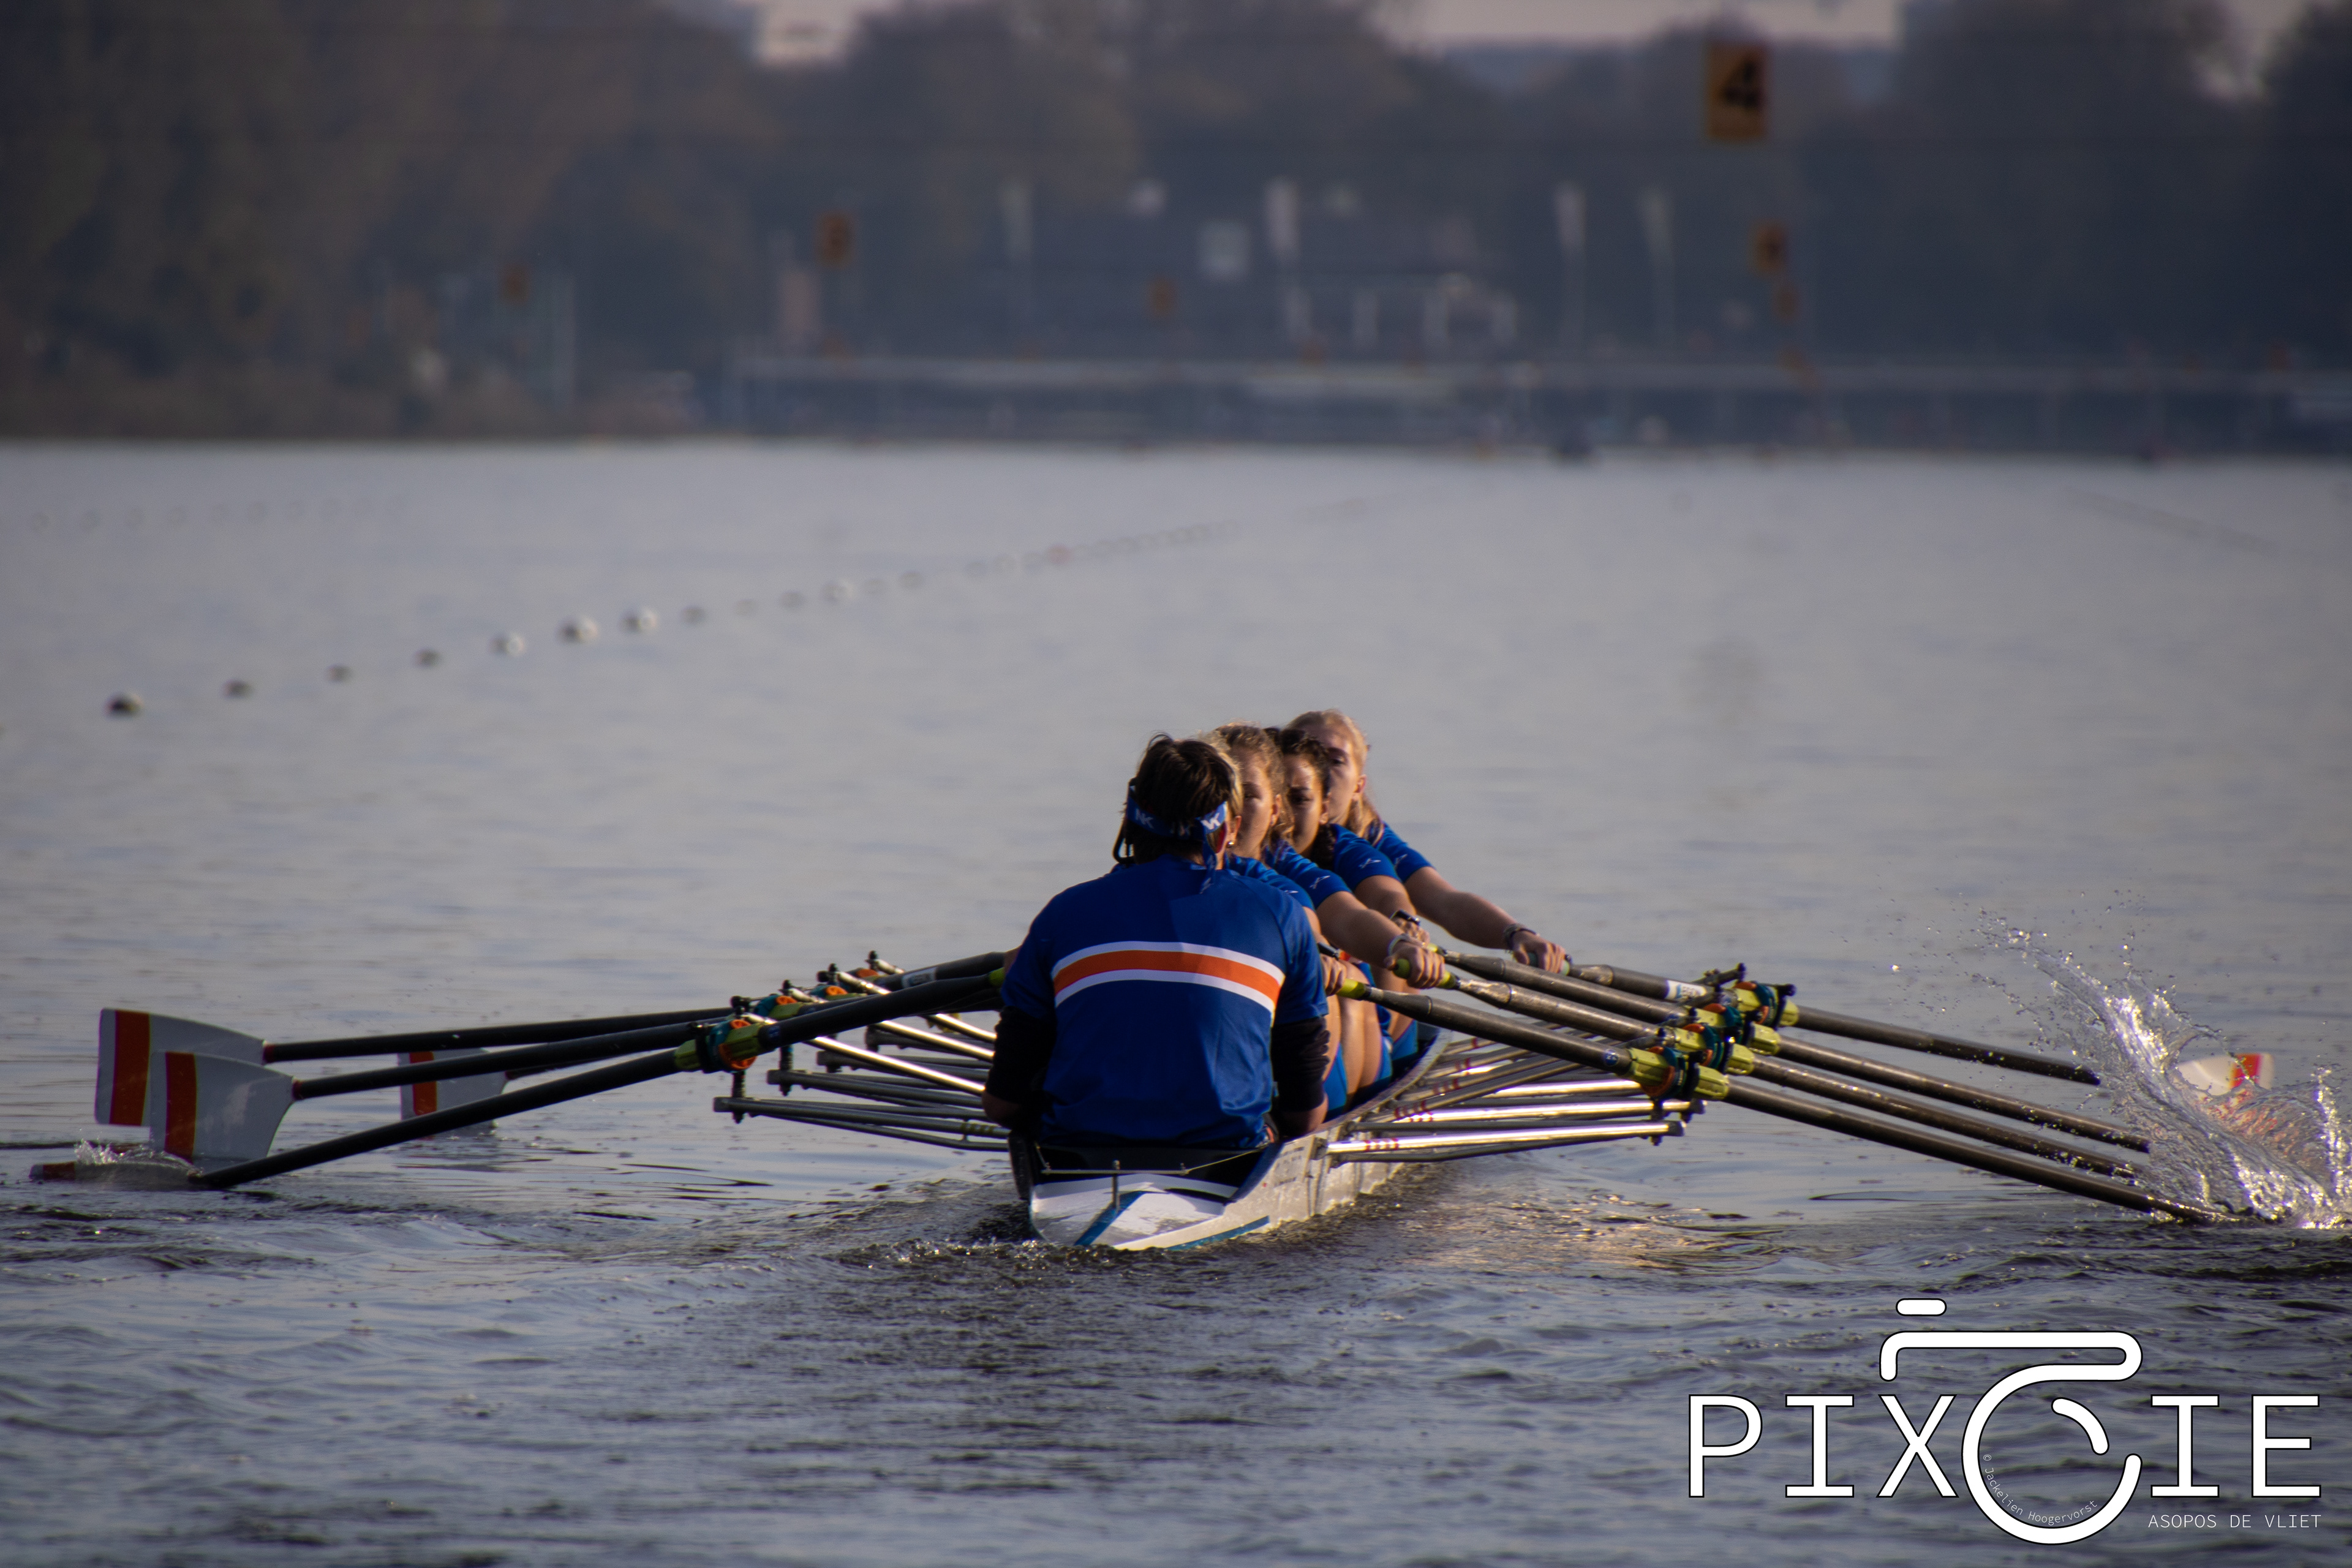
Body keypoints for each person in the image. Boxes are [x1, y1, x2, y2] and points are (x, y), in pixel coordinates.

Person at [979, 735, 1331, 1150]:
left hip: (1083, 1153)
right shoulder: (1282, 916)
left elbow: (1002, 1105)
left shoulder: (1062, 913)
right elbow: (1305, 1114)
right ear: (1228, 831)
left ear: (1130, 819)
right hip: (1225, 1156)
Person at [1202, 723, 1439, 1105]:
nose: (1235, 811)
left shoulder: (1288, 866)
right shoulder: (1181, 866)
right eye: (1225, 795)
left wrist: (1398, 941)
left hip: (1322, 1017)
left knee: (1341, 988)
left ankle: (1334, 1110)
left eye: (1249, 796)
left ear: (1275, 809)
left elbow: (1347, 916)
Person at [1285, 707, 1569, 974]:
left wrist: (1517, 934)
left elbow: (1444, 902)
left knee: (1395, 940)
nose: (1320, 772)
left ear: (1359, 786)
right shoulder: (1265, 844)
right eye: (1309, 757)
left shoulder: (1372, 841)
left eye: (1335, 761)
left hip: (1365, 966)